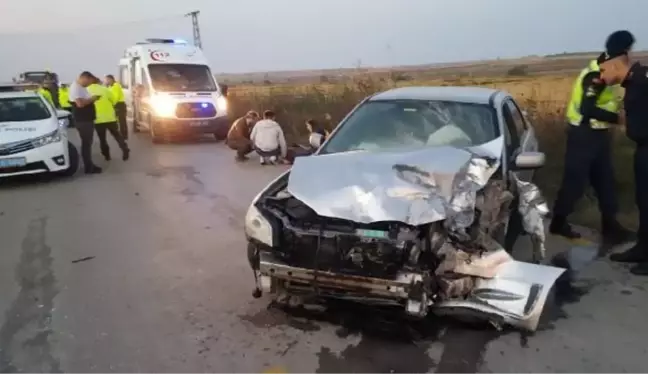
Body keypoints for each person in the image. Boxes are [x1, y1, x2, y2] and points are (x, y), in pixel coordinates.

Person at [549, 40, 634, 246]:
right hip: (584, 135)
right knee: (575, 183)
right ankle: (558, 222)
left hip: (598, 135)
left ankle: (611, 227)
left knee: (605, 182)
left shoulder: (601, 71)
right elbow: (588, 109)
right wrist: (617, 119)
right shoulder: (595, 76)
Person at [598, 32, 648, 275]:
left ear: (615, 63)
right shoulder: (633, 83)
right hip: (642, 150)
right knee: (644, 202)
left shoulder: (643, 80)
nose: (602, 76)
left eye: (604, 69)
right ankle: (643, 248)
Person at [87, 76, 130, 162]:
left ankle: (107, 155)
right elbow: (114, 101)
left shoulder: (86, 91)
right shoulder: (105, 90)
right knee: (117, 135)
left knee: (102, 139)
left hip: (97, 119)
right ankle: (124, 148)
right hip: (110, 117)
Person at [69, 71, 102, 174]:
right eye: (89, 82)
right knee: (86, 143)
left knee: (87, 143)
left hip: (86, 119)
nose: (89, 85)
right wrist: (93, 99)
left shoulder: (80, 87)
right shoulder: (76, 88)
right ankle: (88, 167)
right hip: (83, 120)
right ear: (84, 78)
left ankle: (89, 165)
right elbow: (80, 104)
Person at [104, 74, 128, 140]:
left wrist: (112, 104)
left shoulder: (116, 86)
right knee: (115, 120)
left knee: (122, 121)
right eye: (106, 80)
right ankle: (119, 134)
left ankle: (124, 135)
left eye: (107, 80)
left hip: (119, 104)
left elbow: (115, 97)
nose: (106, 81)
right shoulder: (110, 87)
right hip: (115, 104)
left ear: (111, 79)